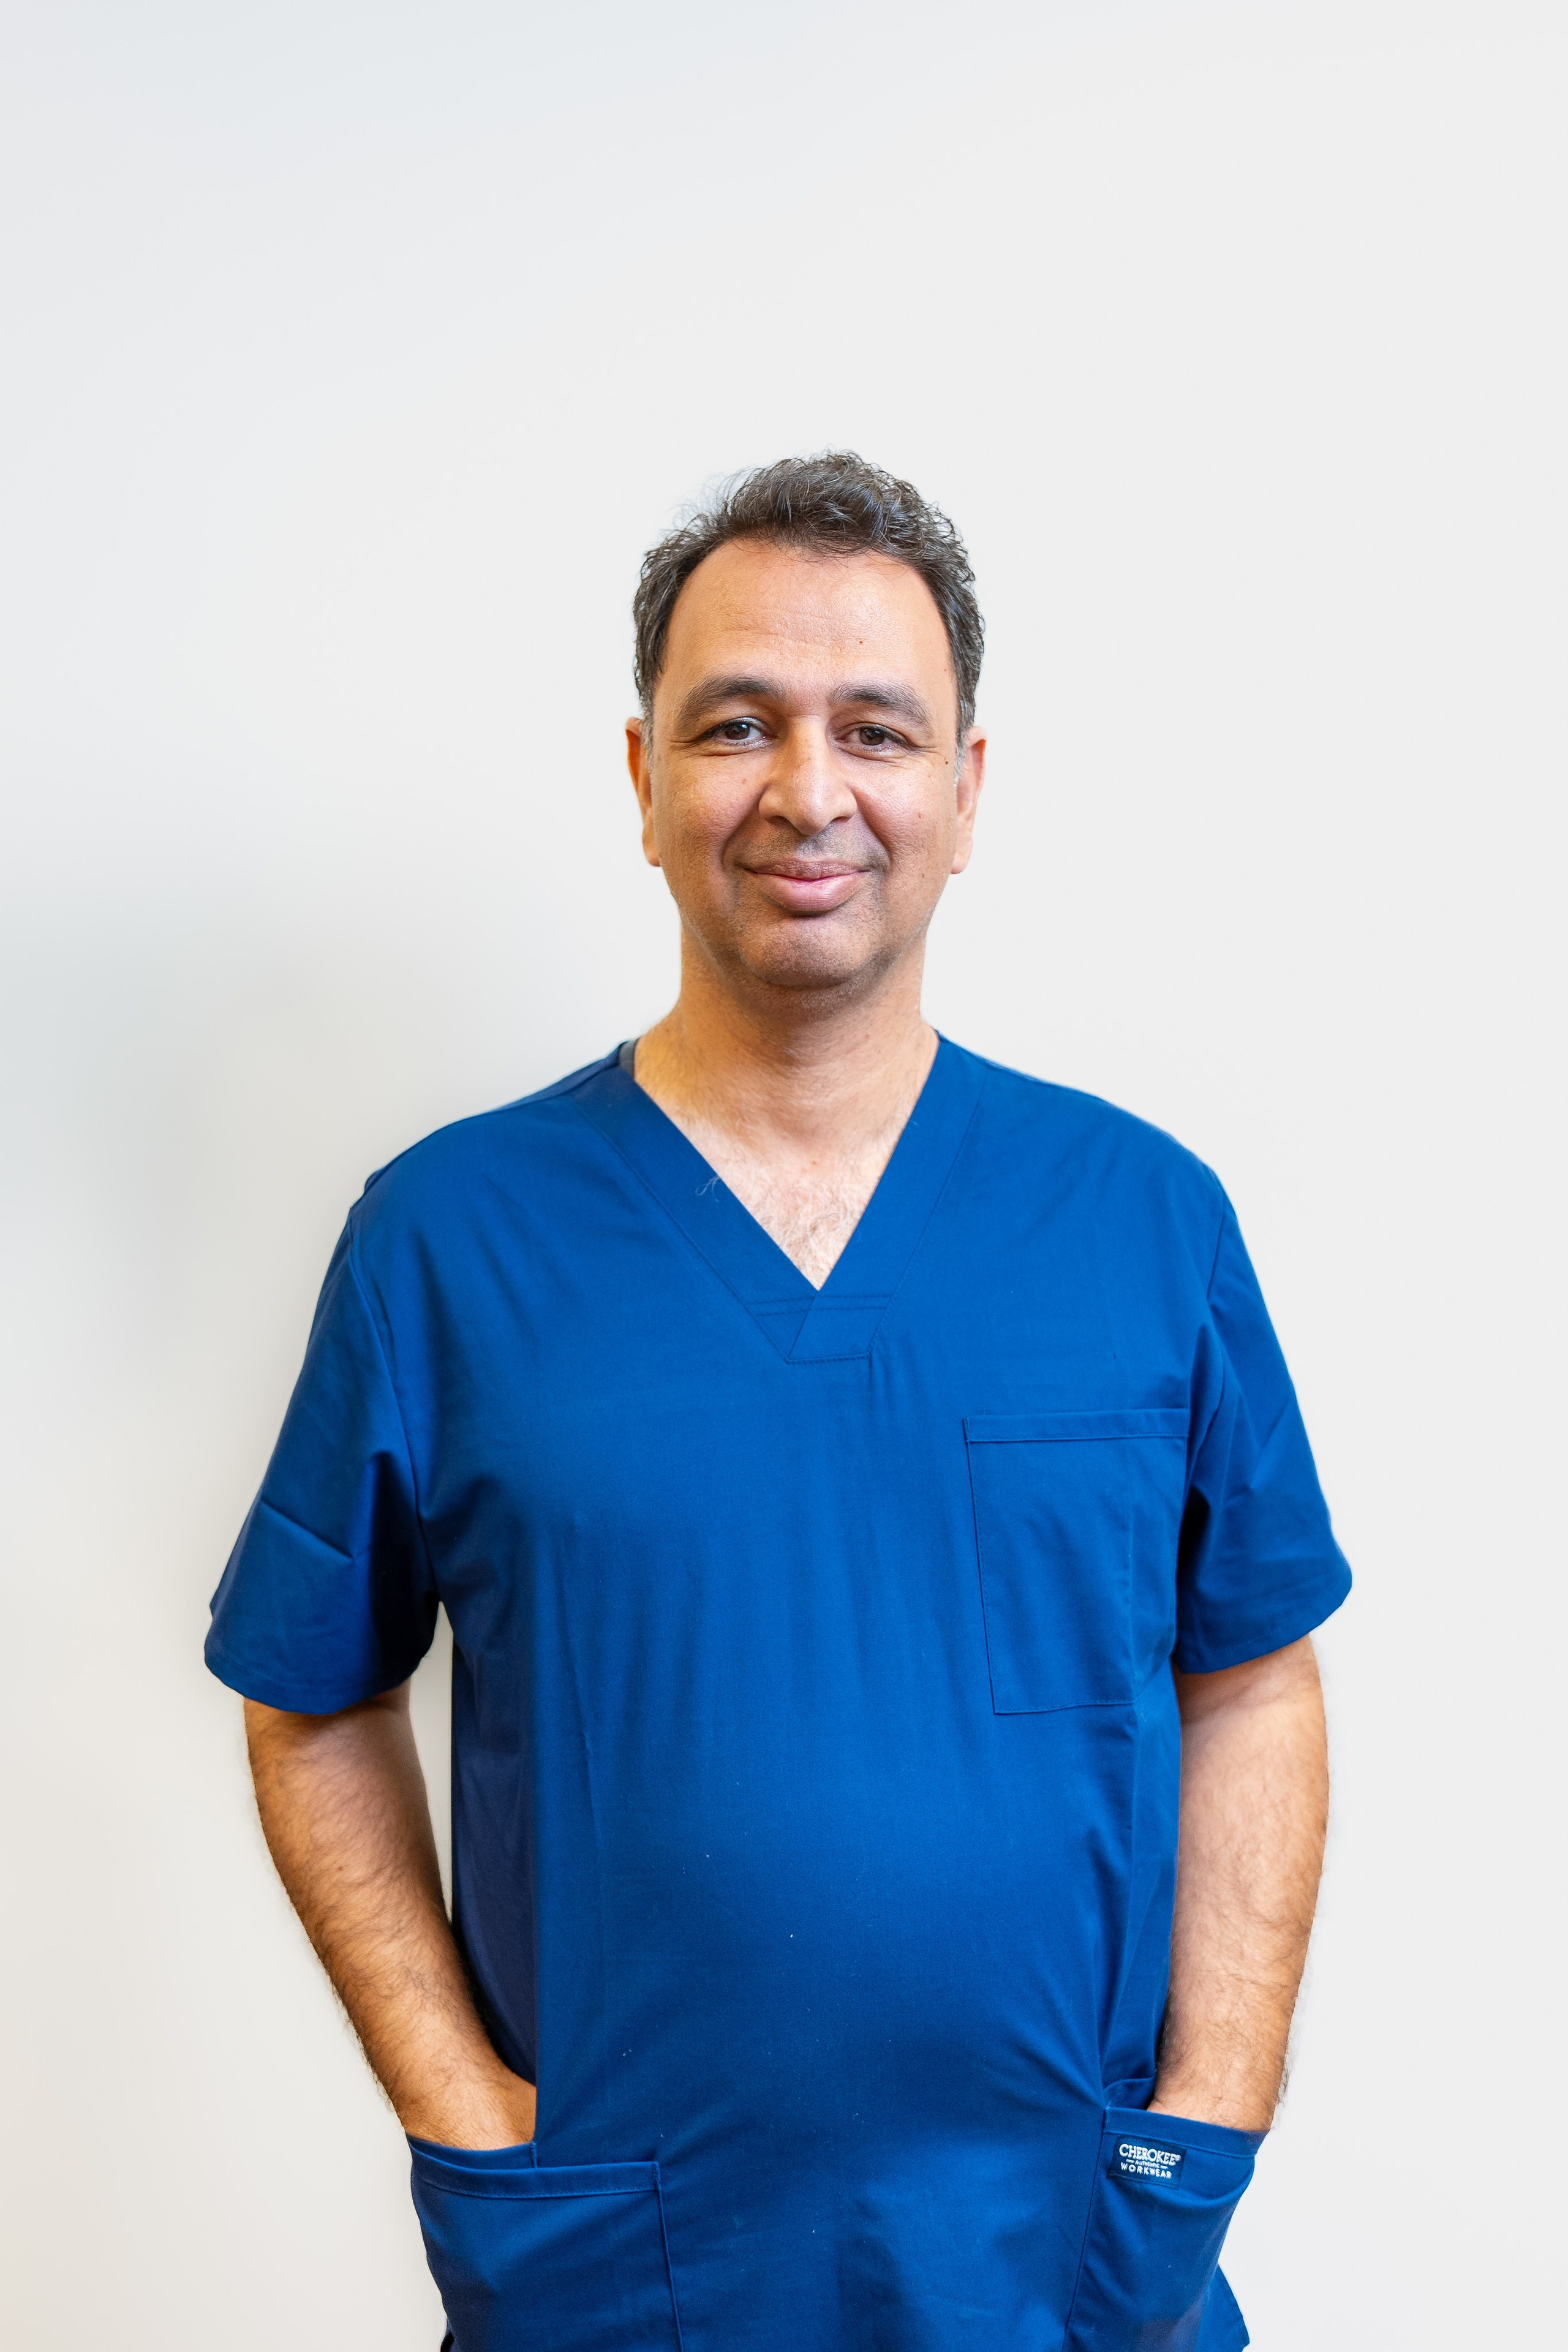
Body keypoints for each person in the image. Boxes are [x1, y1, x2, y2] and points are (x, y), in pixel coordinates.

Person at [206, 451, 1350, 2352]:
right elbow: (306, 1700)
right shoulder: (449, 1243)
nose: (808, 791)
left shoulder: (1141, 1221)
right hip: (624, 2279)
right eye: (737, 724)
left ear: (966, 790)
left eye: (876, 730)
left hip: (1063, 2277)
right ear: (644, 777)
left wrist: (1204, 2125)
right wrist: (463, 2113)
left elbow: (1256, 1676)